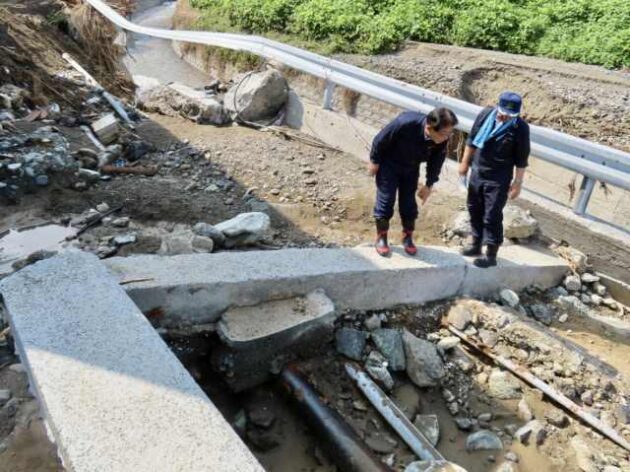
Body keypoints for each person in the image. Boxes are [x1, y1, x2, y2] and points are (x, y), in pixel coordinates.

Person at [369, 107, 459, 257]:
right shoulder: (405, 123)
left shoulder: (442, 140)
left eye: (450, 133)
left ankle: (407, 236)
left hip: (411, 168)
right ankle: (382, 237)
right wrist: (374, 161)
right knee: (386, 200)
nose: (447, 137)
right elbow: (380, 139)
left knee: (409, 203)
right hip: (389, 165)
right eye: (444, 133)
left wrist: (429, 184)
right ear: (429, 127)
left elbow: (436, 162)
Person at [458, 91, 530, 268]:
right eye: (504, 113)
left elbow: (521, 159)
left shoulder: (520, 128)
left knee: (492, 215)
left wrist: (517, 183)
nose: (506, 117)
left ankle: (491, 254)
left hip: (498, 179)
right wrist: (464, 164)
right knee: (474, 208)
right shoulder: (485, 115)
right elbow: (472, 140)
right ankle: (476, 244)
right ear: (498, 107)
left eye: (511, 115)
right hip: (478, 171)